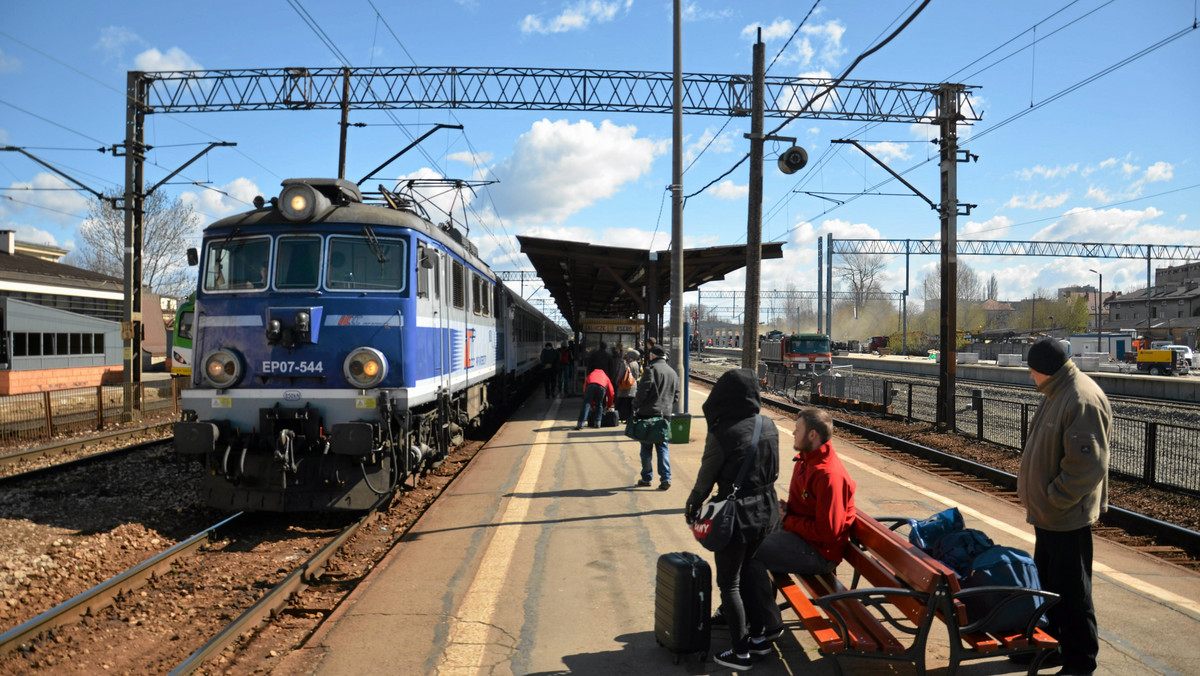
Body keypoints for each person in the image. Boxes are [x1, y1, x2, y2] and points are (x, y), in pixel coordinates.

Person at [1017, 338, 1110, 676]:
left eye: (1032, 372)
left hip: (1066, 517)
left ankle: (1080, 661)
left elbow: (1087, 466)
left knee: (1073, 593)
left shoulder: (1080, 399)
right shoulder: (1058, 392)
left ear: (1046, 371)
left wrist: (1054, 498)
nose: (1031, 378)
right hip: (1050, 516)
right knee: (1052, 588)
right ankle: (1053, 646)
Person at [685, 369, 780, 671]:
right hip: (766, 511)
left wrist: (693, 505)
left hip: (736, 517)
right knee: (748, 571)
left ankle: (740, 653)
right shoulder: (769, 425)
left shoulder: (722, 433)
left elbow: (705, 480)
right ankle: (759, 639)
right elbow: (774, 470)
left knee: (730, 583)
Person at [753, 408, 857, 642]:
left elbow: (828, 534)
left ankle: (766, 624)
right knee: (748, 533)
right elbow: (807, 510)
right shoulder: (806, 460)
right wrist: (787, 511)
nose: (792, 432)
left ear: (812, 435)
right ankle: (745, 612)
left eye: (797, 429)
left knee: (751, 552)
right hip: (802, 540)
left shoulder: (829, 475)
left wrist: (788, 519)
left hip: (820, 554)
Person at [632, 345, 679, 489]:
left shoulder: (650, 370)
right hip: (665, 416)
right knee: (662, 447)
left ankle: (646, 478)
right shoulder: (672, 372)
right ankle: (666, 478)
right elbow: (676, 396)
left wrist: (635, 405)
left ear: (652, 356)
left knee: (646, 447)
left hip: (648, 415)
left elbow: (642, 392)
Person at [614, 350, 641, 422]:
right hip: (633, 385)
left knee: (622, 403)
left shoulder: (625, 364)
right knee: (630, 404)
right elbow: (637, 375)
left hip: (624, 386)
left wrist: (617, 381)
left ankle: (622, 417)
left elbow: (620, 375)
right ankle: (630, 418)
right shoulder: (636, 364)